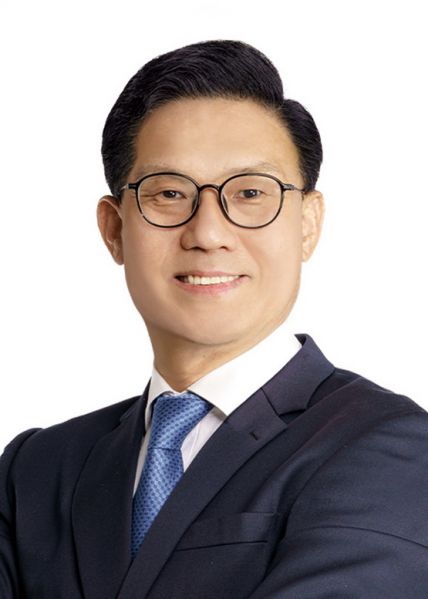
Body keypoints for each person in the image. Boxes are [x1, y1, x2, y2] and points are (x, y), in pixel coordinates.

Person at [1, 39, 427, 599]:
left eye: (250, 193)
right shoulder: (36, 470)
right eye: (169, 193)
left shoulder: (390, 447)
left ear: (307, 225)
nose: (207, 233)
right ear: (114, 229)